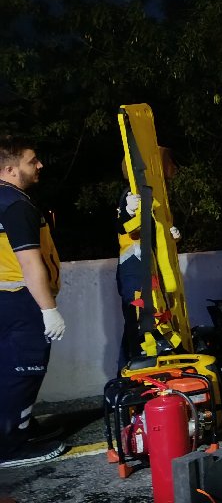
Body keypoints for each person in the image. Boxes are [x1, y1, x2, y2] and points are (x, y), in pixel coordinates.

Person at [0, 137, 66, 467]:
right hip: (19, 302)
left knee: (7, 371)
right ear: (11, 170)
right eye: (32, 161)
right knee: (23, 370)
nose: (39, 165)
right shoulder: (15, 204)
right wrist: (49, 310)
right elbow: (29, 262)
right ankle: (10, 445)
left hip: (5, 301)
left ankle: (16, 429)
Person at [115, 147, 181, 370]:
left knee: (145, 327)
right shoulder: (132, 194)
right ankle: (133, 379)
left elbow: (155, 233)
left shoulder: (155, 196)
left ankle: (130, 375)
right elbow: (125, 225)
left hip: (149, 272)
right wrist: (129, 212)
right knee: (140, 329)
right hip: (136, 272)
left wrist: (171, 234)